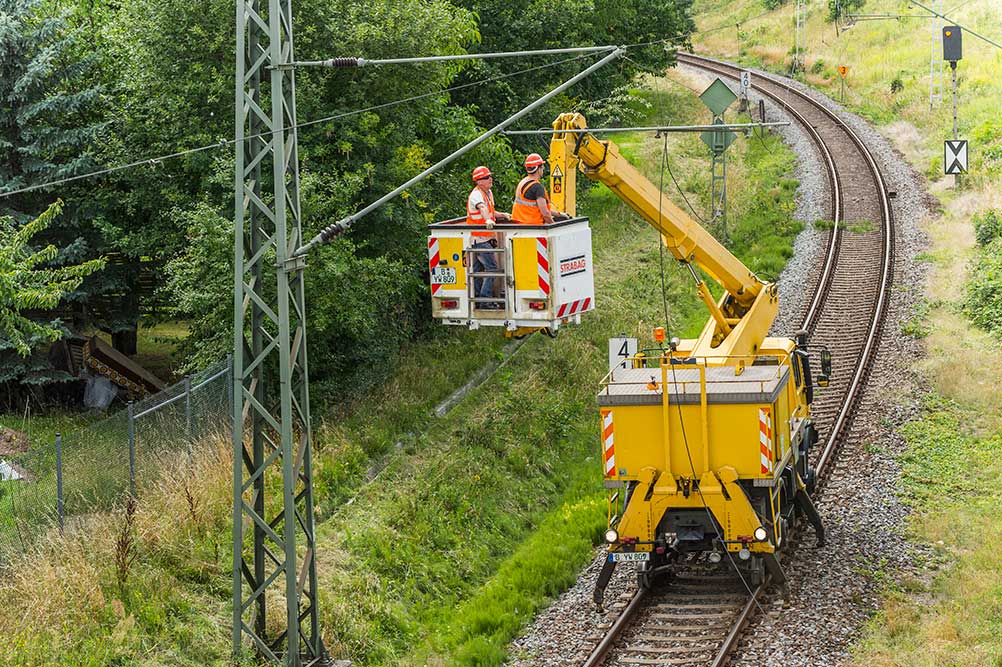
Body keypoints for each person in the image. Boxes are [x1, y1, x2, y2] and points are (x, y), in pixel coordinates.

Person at [467, 165, 510, 309]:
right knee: (491, 269)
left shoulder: (488, 193)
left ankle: (479, 299)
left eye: (490, 176)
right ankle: (484, 300)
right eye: (486, 177)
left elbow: (490, 210)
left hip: (483, 238)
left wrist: (502, 215)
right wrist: (487, 221)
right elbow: (483, 209)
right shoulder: (476, 195)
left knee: (478, 271)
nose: (490, 179)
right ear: (479, 181)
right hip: (479, 239)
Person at [511, 153, 566, 225]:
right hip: (534, 229)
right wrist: (554, 226)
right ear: (538, 169)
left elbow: (535, 208)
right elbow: (545, 214)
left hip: (519, 228)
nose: (543, 169)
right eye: (542, 167)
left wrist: (559, 214)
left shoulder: (522, 183)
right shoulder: (537, 187)